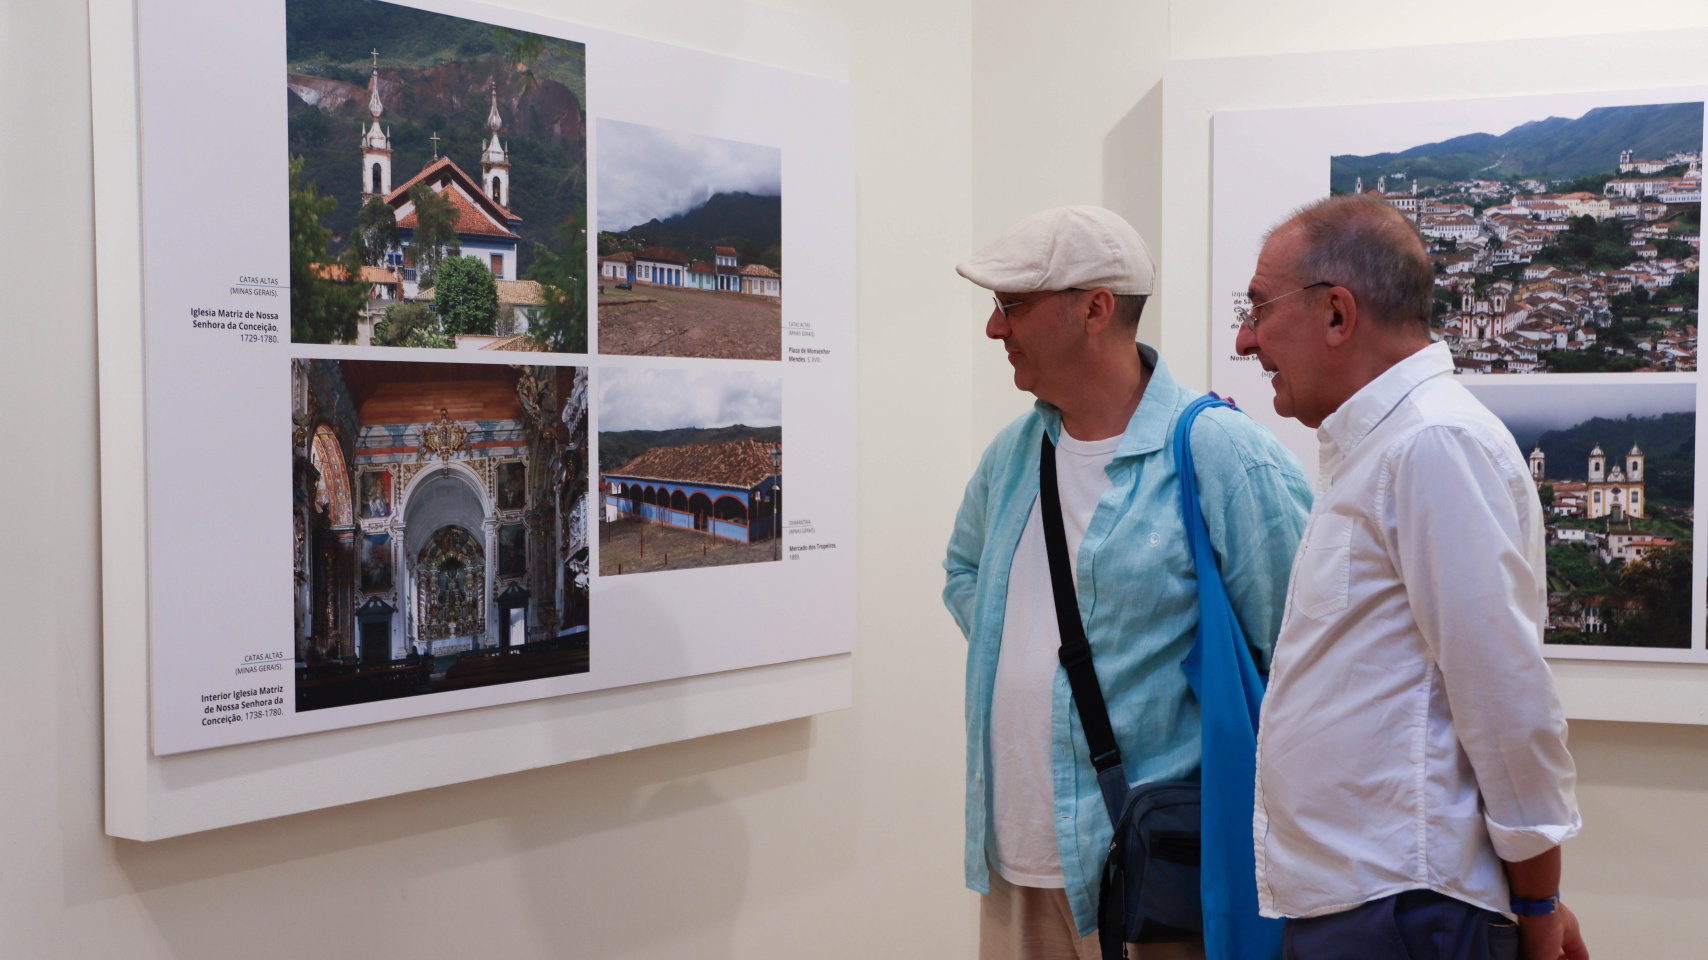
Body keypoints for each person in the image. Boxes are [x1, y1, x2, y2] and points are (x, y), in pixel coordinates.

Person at [943, 206, 1312, 960]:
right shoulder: (1014, 454)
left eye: (1013, 305)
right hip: (1014, 868)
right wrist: (1030, 654)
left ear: (1095, 309)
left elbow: (1303, 660)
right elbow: (964, 571)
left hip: (1156, 874)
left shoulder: (1220, 454)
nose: (993, 328)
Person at [1235, 194, 1588, 960]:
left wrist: (1538, 901)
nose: (1244, 338)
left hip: (1404, 911)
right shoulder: (1385, 447)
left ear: (1337, 314)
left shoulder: (1430, 444)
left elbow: (1503, 695)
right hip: (1371, 902)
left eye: (1258, 309)